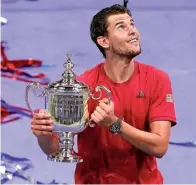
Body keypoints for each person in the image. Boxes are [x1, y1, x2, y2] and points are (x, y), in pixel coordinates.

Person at [31, 4, 177, 184]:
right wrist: (43, 135)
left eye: (132, 24)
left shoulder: (157, 79)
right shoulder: (82, 86)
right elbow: (55, 150)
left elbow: (160, 146)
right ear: (104, 41)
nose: (133, 31)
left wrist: (115, 124)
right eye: (121, 27)